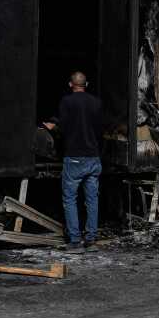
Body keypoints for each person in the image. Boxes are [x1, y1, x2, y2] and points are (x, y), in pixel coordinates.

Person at [44, 71, 102, 253]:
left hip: (74, 158)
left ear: (71, 84)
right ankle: (91, 240)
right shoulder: (96, 103)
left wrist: (53, 126)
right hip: (93, 157)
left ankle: (75, 242)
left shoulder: (66, 102)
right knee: (92, 200)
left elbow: (63, 128)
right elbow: (100, 129)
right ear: (87, 84)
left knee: (70, 199)